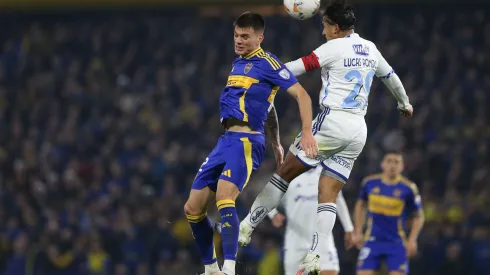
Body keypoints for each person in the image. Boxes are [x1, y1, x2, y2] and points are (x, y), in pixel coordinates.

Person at [238, 2, 413, 274]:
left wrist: (262, 75)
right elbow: (391, 77)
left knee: (284, 173)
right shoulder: (369, 48)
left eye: (324, 26)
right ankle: (315, 256)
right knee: (328, 193)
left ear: (335, 27)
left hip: (332, 121)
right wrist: (404, 104)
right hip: (358, 130)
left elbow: (295, 68)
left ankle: (247, 225)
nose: (322, 32)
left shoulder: (333, 47)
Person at [183, 11, 317, 275]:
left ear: (260, 37)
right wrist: (276, 141)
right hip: (225, 141)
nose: (239, 40)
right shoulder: (237, 64)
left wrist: (307, 133)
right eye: (236, 35)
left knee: (224, 197)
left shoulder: (269, 63)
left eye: (245, 36)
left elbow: (302, 96)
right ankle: (211, 269)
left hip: (246, 141)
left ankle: (229, 269)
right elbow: (269, 105)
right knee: (192, 208)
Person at [266, 166, 355, 275]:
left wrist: (349, 228)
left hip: (323, 240)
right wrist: (273, 214)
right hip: (296, 242)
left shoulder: (328, 174)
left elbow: (338, 199)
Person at [353, 151, 425, 275]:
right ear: (382, 164)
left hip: (396, 242)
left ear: (402, 166)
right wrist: (358, 231)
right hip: (372, 240)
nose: (393, 165)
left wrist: (413, 239)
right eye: (389, 161)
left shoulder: (408, 188)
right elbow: (360, 205)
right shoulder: (369, 183)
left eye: (397, 162)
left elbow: (418, 216)